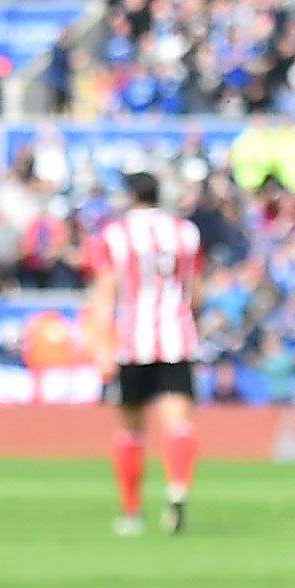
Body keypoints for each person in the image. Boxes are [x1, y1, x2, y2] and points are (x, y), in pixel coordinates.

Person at [85, 170, 203, 536]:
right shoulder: (185, 233)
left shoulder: (116, 235)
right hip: (176, 338)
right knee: (179, 423)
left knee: (130, 428)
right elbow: (196, 291)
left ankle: (132, 511)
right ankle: (178, 489)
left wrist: (101, 342)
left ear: (130, 196)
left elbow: (106, 292)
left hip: (133, 341)